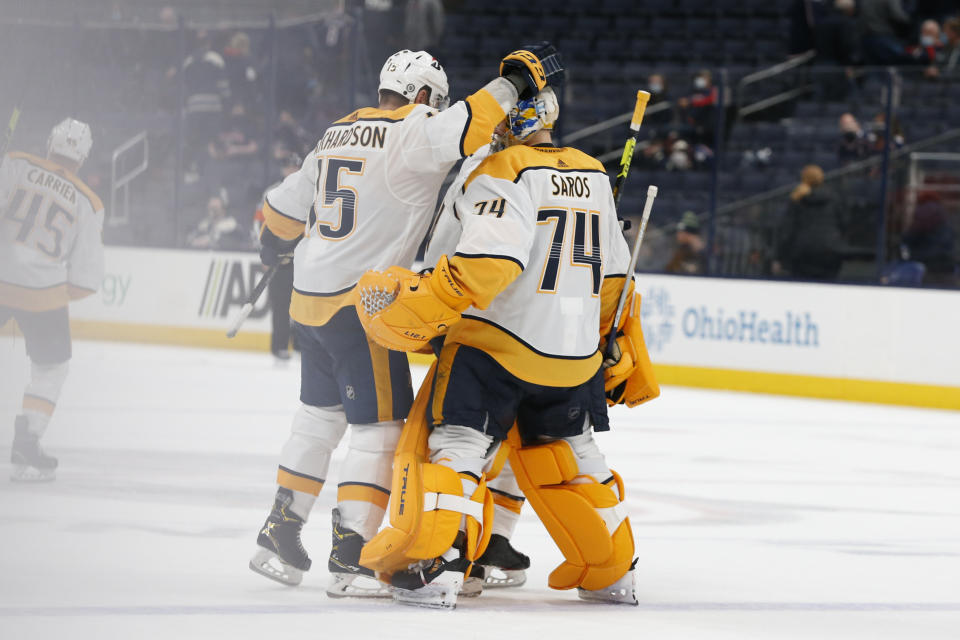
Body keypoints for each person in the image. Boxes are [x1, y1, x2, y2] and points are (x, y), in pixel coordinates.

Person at [249, 44, 563, 597]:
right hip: (360, 304)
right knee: (380, 430)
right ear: (421, 97)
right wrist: (517, 79)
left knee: (318, 419)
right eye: (432, 103)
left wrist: (274, 245)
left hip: (309, 299)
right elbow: (473, 120)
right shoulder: (414, 129)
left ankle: (280, 530)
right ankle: (350, 556)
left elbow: (278, 213)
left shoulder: (336, 131)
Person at [355, 87, 658, 608]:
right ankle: (611, 571)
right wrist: (603, 337)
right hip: (573, 355)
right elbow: (614, 278)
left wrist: (425, 303)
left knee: (459, 449)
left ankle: (441, 565)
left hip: (496, 344)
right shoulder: (592, 173)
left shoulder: (502, 169)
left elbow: (488, 265)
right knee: (575, 458)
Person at [0, 119, 104, 482]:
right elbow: (86, 277)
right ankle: (27, 439)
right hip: (43, 294)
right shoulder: (88, 202)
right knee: (51, 367)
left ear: (49, 142)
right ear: (84, 156)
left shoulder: (14, 163)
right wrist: (58, 293)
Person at [252, 154, 301, 360]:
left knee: (302, 304)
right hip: (279, 258)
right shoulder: (271, 193)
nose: (289, 170)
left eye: (292, 166)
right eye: (286, 166)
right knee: (280, 304)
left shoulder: (309, 191)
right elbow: (258, 224)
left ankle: (301, 345)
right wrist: (265, 248)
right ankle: (280, 346)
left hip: (301, 259)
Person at [774, 165, 846, 281]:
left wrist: (780, 258)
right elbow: (843, 224)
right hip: (830, 251)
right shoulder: (834, 198)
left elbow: (786, 231)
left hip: (803, 254)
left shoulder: (797, 198)